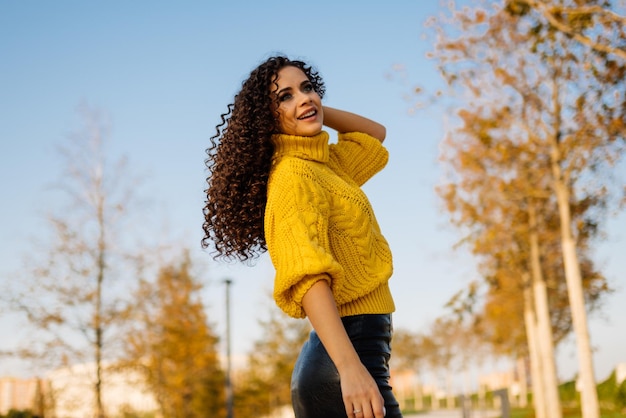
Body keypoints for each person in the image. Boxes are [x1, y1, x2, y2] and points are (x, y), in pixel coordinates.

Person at [202, 55, 402, 418]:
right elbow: (309, 278)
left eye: (307, 88)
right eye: (285, 97)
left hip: (360, 352)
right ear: (267, 117)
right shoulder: (293, 176)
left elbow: (374, 136)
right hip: (345, 361)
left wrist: (312, 108)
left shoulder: (327, 164)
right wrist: (351, 369)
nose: (303, 98)